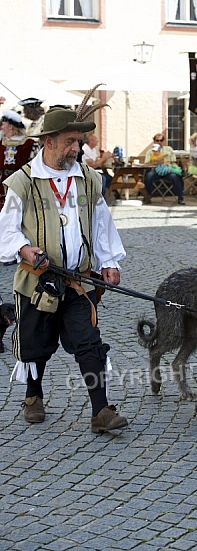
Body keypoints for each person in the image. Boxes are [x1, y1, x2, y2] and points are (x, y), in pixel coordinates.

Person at [0, 105, 128, 433]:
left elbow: (101, 224)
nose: (77, 147)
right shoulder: (23, 182)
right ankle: (33, 396)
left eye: (79, 141)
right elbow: (7, 230)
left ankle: (101, 411)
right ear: (49, 141)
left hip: (78, 282)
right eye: (70, 141)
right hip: (37, 280)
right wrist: (24, 248)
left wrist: (109, 261)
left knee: (88, 342)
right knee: (36, 344)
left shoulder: (88, 178)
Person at [0, 110, 35, 210]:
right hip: (3, 181)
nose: (1, 127)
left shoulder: (28, 143)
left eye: (3, 124)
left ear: (10, 126)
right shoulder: (1, 142)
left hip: (21, 180)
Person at [144, 133, 185, 205]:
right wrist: (157, 162)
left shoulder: (168, 149)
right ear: (154, 141)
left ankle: (180, 197)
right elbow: (147, 163)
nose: (159, 142)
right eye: (157, 140)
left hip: (167, 169)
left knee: (175, 176)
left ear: (164, 141)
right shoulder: (150, 151)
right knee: (149, 176)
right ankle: (148, 196)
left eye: (161, 140)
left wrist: (176, 167)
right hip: (156, 170)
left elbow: (173, 162)